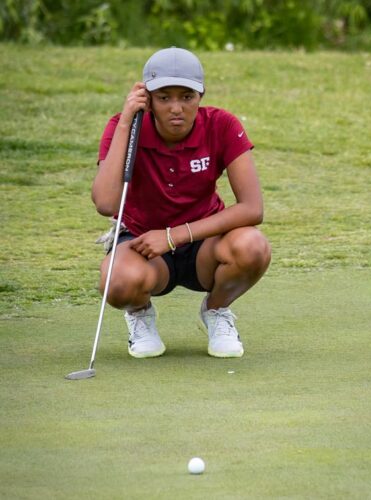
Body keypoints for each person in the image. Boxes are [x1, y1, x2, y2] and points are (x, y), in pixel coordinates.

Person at [92, 47, 271, 359]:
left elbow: (252, 208)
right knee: (117, 283)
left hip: (205, 243)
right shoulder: (125, 128)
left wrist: (174, 235)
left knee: (253, 246)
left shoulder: (222, 125)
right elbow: (107, 203)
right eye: (164, 97)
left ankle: (216, 311)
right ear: (147, 98)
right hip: (141, 242)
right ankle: (140, 315)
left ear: (200, 96)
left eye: (187, 96)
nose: (176, 108)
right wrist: (125, 123)